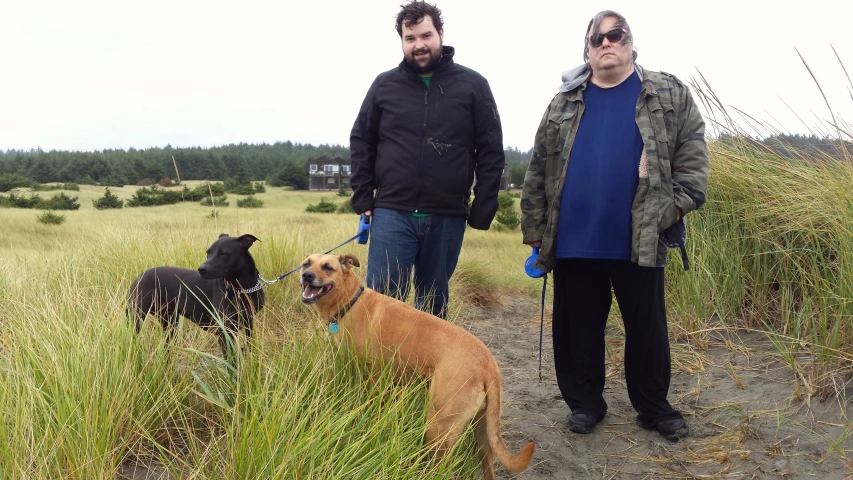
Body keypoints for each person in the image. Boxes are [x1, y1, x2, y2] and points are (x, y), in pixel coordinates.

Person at [520, 10, 709, 441]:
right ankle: (586, 405)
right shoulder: (563, 102)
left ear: (630, 42)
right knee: (578, 328)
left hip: (640, 237)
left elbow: (693, 156)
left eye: (616, 35)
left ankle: (654, 408)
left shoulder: (666, 92)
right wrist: (534, 225)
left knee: (646, 329)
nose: (607, 43)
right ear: (586, 51)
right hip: (573, 237)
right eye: (597, 38)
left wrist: (672, 209)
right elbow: (537, 166)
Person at [349, 0, 505, 319]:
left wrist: (484, 205)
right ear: (402, 41)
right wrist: (363, 195)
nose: (419, 45)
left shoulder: (473, 86)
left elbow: (491, 150)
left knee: (432, 306)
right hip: (393, 211)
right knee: (381, 303)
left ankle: (424, 370)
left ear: (441, 33)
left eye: (426, 35)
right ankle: (379, 370)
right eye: (410, 38)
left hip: (446, 214)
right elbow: (362, 140)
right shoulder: (384, 86)